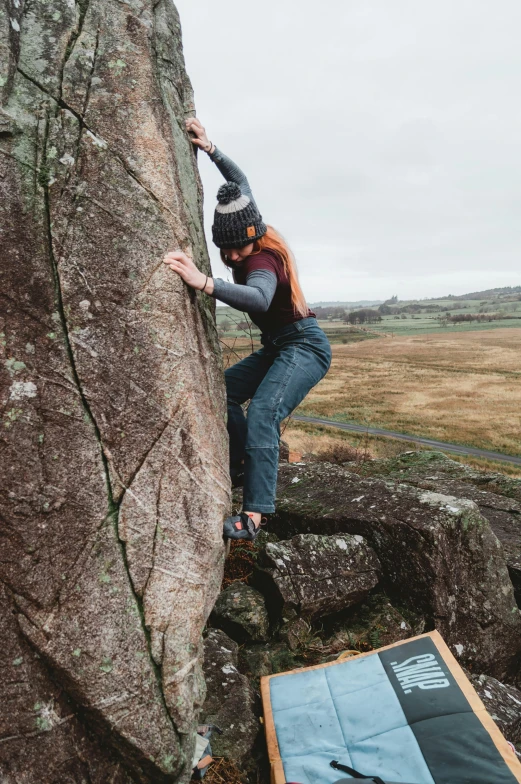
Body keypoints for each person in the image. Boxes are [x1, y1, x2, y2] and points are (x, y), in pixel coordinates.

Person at [163, 117, 331, 541]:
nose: (233, 256)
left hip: (304, 348)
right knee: (221, 393)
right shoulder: (250, 222)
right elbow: (242, 183)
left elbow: (257, 298)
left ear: (254, 237)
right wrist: (210, 148)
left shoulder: (263, 260)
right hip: (279, 346)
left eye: (238, 247)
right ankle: (242, 462)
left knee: (264, 412)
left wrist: (203, 281)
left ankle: (254, 515)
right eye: (226, 250)